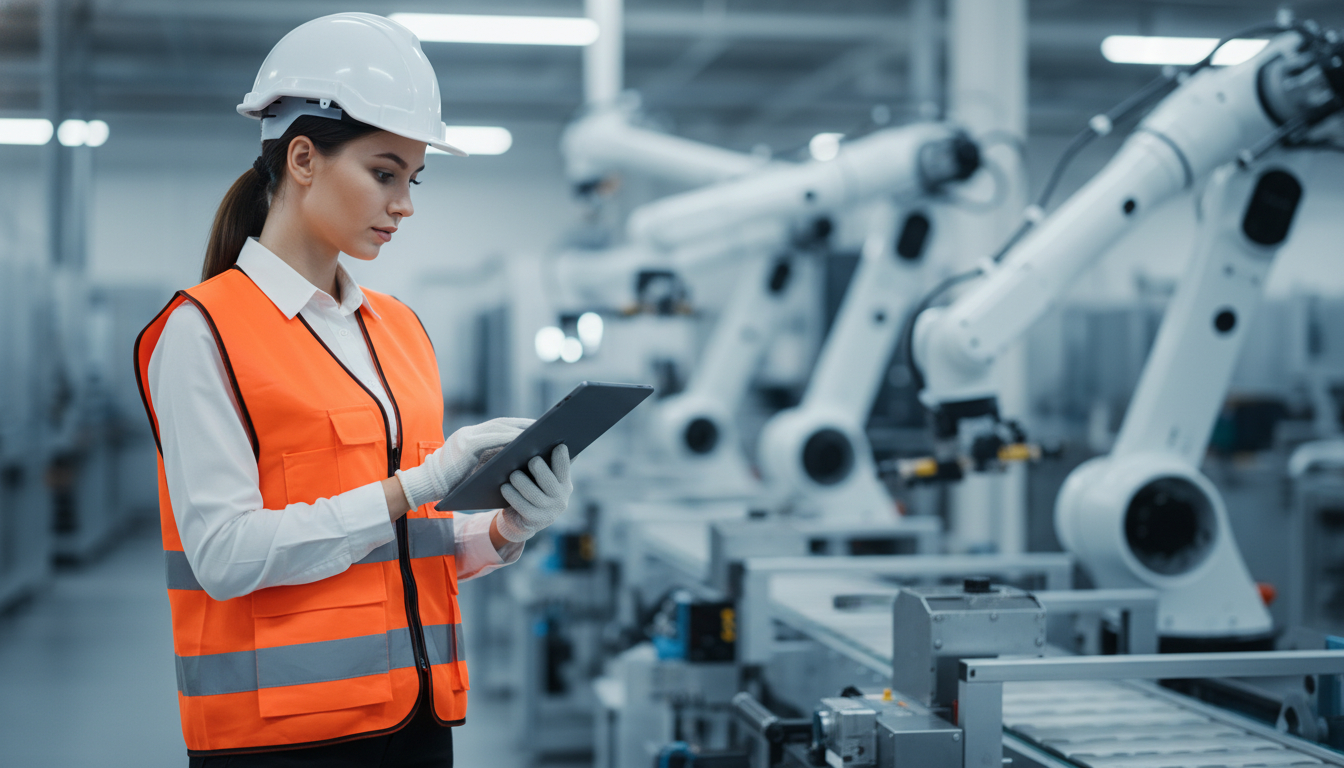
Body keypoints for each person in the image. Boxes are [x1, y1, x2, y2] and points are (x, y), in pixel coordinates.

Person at [133, 13, 569, 766]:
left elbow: (408, 547)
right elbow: (225, 556)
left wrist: (504, 530)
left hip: (417, 722)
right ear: (303, 157)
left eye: (413, 179)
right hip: (284, 740)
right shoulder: (202, 331)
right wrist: (413, 485)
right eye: (384, 172)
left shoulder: (400, 329)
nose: (405, 204)